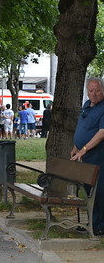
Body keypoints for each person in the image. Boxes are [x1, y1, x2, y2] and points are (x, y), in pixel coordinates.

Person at [70, 78, 104, 236]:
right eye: (91, 91)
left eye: (97, 90)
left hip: (98, 156)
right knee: (90, 191)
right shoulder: (86, 105)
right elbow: (82, 127)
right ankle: (92, 223)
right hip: (85, 156)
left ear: (102, 90)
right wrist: (76, 146)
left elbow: (101, 133)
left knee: (99, 191)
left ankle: (99, 225)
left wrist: (84, 149)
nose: (94, 94)